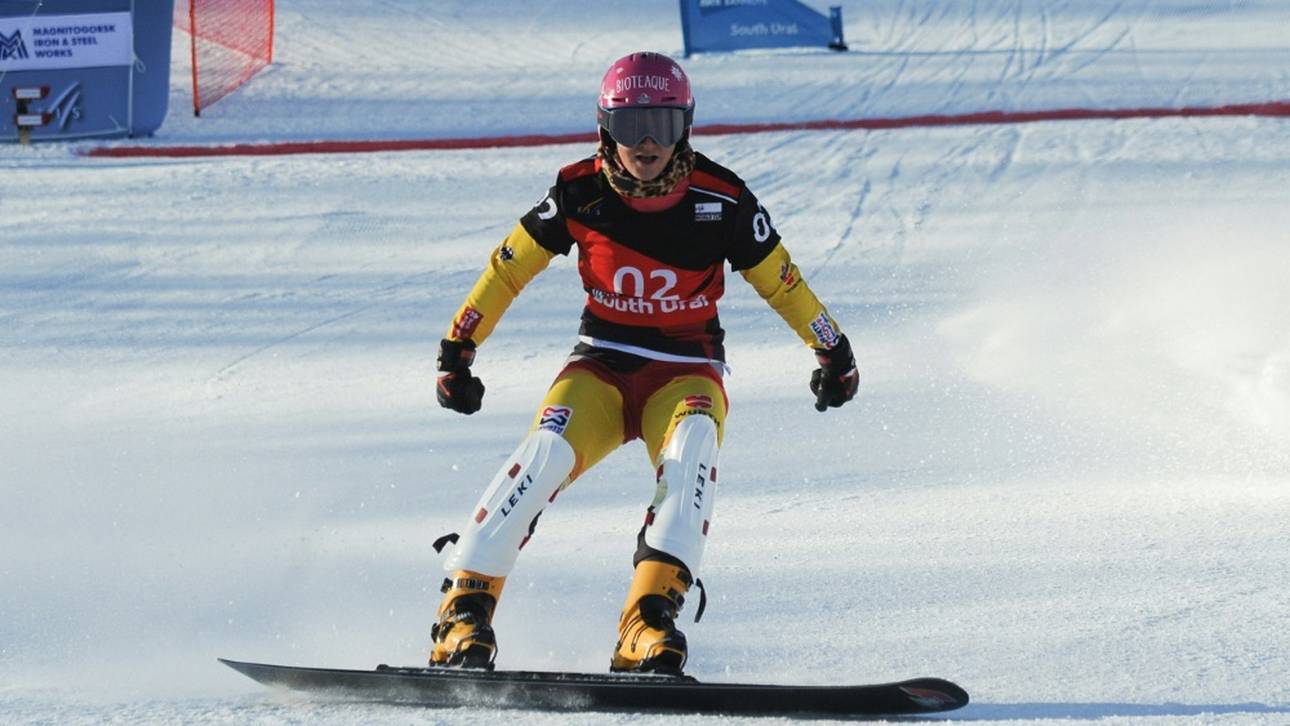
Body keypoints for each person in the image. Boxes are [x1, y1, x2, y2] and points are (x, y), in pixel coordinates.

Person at [431, 51, 858, 675]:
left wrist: (832, 350)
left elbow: (783, 282)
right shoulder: (577, 190)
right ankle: (463, 612)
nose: (648, 143)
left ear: (686, 125)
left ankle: (647, 622)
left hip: (686, 370)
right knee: (545, 451)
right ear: (607, 129)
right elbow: (508, 266)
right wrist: (457, 350)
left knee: (692, 451)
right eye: (632, 127)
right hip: (600, 367)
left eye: (662, 123)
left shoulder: (724, 200)